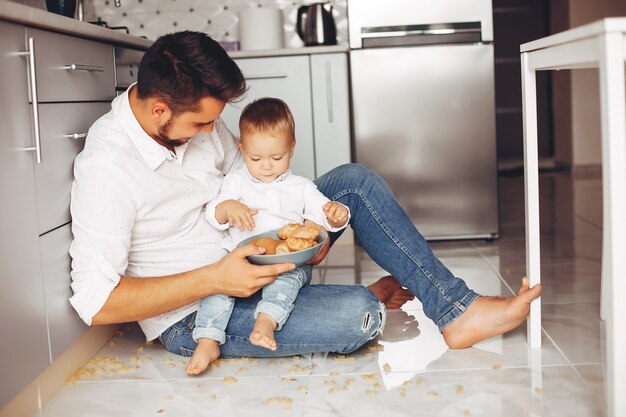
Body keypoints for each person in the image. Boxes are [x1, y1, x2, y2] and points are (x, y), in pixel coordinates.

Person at [69, 31, 542, 365]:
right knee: (357, 316)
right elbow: (96, 302)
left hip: (262, 251)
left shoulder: (194, 123)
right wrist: (217, 276)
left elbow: (253, 181)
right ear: (158, 110)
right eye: (201, 124)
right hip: (197, 310)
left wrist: (306, 220)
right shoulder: (107, 169)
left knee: (354, 182)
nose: (212, 133)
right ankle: (363, 297)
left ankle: (457, 311)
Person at [187, 97, 350, 375]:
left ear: (291, 149)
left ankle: (265, 322)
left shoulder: (301, 187)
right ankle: (207, 338)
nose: (266, 166)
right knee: (217, 290)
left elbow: (322, 215)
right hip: (243, 259)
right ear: (242, 150)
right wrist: (229, 208)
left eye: (277, 158)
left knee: (284, 284)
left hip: (286, 262)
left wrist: (339, 215)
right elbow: (213, 212)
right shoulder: (236, 181)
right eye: (255, 158)